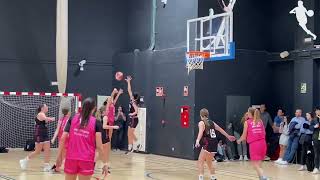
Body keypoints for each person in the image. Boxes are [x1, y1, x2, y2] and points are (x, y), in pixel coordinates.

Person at [56, 97, 108, 180]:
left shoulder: (72, 119)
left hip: (71, 158)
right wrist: (105, 163)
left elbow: (62, 138)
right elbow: (99, 146)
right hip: (86, 160)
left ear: (82, 107)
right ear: (94, 108)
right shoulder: (96, 123)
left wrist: (58, 157)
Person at [195, 108, 236, 180]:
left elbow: (200, 132)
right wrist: (228, 136)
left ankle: (201, 178)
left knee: (200, 161)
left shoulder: (201, 123)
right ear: (208, 115)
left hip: (208, 143)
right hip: (214, 144)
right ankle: (213, 178)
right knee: (209, 162)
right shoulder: (212, 122)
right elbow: (220, 129)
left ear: (200, 115)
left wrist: (197, 140)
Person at [19, 104, 55, 171]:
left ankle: (46, 165)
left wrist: (49, 119)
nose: (47, 107)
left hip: (44, 134)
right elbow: (46, 119)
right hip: (39, 134)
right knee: (37, 151)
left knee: (47, 150)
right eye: (46, 106)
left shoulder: (43, 114)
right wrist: (53, 119)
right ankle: (24, 160)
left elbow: (45, 120)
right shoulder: (40, 114)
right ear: (42, 108)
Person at [237, 108, 268, 180]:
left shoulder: (247, 122)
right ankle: (261, 178)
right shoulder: (260, 121)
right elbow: (264, 133)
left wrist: (239, 140)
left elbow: (244, 136)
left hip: (254, 144)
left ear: (251, 113)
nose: (247, 113)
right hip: (263, 143)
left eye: (248, 112)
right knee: (259, 165)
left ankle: (264, 177)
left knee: (255, 165)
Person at [51, 108, 71, 172]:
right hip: (66, 138)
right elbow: (68, 130)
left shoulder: (60, 119)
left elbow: (57, 129)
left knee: (61, 154)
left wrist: (53, 138)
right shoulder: (69, 120)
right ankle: (59, 166)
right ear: (68, 112)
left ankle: (57, 167)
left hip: (60, 138)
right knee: (65, 154)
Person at [125, 76, 141, 154]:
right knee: (129, 133)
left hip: (134, 118)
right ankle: (130, 147)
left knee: (130, 133)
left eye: (132, 96)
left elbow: (136, 111)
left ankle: (136, 145)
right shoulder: (132, 100)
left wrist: (131, 113)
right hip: (132, 118)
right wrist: (128, 82)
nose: (131, 96)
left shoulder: (134, 103)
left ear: (134, 98)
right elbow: (129, 90)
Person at [312, 107, 320, 174]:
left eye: (318, 110)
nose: (316, 111)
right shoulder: (314, 119)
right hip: (316, 138)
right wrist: (314, 127)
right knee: (316, 153)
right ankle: (316, 167)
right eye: (316, 110)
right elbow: (310, 127)